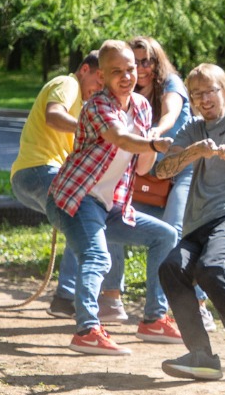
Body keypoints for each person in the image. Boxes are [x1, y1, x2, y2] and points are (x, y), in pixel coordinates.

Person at [44, 40, 181, 355]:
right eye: (116, 71)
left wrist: (151, 144)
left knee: (165, 235)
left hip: (111, 205)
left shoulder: (143, 107)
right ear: (102, 77)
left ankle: (154, 318)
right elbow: (119, 137)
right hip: (76, 198)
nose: (126, 76)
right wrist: (151, 145)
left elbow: (143, 165)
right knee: (98, 256)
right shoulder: (97, 105)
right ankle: (87, 329)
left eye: (130, 69)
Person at [155, 63, 225, 381]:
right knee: (171, 268)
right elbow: (162, 170)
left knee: (211, 269)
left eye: (211, 91)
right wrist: (193, 152)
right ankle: (202, 356)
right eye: (196, 94)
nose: (205, 99)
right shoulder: (192, 129)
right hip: (196, 225)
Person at [99, 36, 197, 324]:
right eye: (135, 62)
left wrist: (154, 133)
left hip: (178, 170)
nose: (140, 68)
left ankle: (165, 310)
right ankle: (111, 297)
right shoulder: (127, 95)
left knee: (173, 231)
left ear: (157, 62)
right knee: (110, 218)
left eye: (147, 61)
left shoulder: (171, 84)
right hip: (147, 173)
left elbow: (171, 112)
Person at [11, 51, 103, 319]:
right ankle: (66, 297)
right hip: (39, 170)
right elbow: (53, 116)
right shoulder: (68, 83)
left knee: (83, 225)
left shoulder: (80, 101)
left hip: (33, 175)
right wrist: (91, 129)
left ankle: (66, 297)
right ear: (84, 69)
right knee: (86, 223)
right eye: (98, 81)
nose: (98, 90)